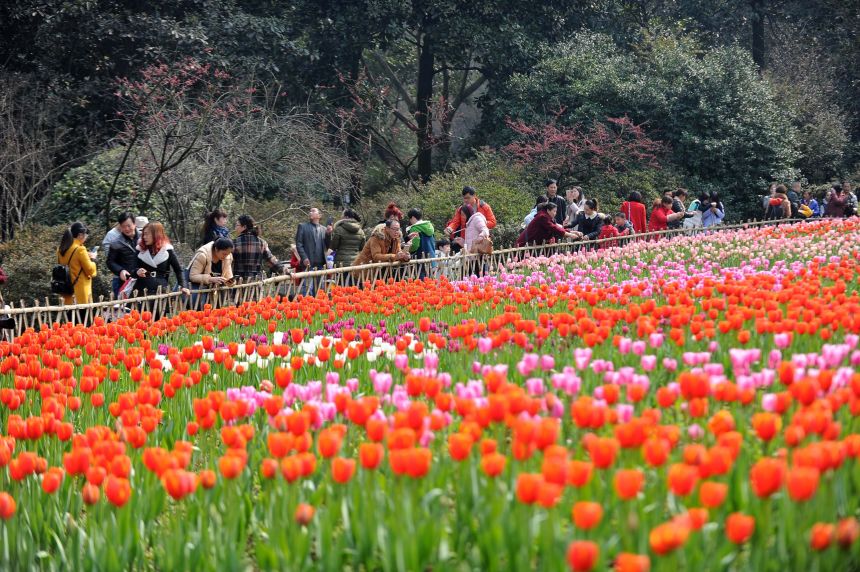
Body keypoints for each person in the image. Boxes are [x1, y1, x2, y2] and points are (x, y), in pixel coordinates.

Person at [444, 186, 497, 252]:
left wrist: (479, 224)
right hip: (465, 240)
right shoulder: (461, 208)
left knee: (479, 260)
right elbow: (455, 221)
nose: (466, 200)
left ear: (474, 195)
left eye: (468, 198)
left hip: (480, 241)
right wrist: (450, 228)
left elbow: (493, 222)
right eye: (464, 198)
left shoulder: (484, 207)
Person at [57, 222, 98, 305]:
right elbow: (90, 270)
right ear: (80, 235)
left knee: (69, 318)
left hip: (66, 294)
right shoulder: (80, 249)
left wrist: (87, 256)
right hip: (80, 294)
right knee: (82, 318)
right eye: (86, 235)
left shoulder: (60, 249)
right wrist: (93, 259)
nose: (86, 237)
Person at [187, 237, 234, 308]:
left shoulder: (228, 257)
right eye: (224, 254)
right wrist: (210, 279)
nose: (226, 256)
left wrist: (230, 282)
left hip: (215, 293)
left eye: (228, 254)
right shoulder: (202, 255)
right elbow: (193, 276)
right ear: (216, 249)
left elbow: (229, 276)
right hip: (198, 291)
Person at [295, 207, 332, 295]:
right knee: (308, 289)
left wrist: (328, 234)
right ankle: (307, 307)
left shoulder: (324, 229)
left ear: (319, 215)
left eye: (313, 211)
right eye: (310, 211)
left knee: (320, 290)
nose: (310, 212)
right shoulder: (302, 226)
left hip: (321, 264)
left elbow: (328, 246)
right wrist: (304, 258)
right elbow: (299, 244)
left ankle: (317, 308)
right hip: (308, 263)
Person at [232, 215, 278, 281]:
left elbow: (228, 262)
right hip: (255, 282)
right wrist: (284, 270)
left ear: (244, 227)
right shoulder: (262, 242)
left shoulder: (234, 242)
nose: (235, 228)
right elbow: (271, 259)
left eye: (237, 225)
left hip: (239, 282)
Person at [105, 212, 140, 298]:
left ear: (134, 224)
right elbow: (110, 261)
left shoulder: (144, 238)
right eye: (123, 226)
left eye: (129, 225)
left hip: (143, 279)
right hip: (126, 281)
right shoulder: (116, 242)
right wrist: (120, 270)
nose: (127, 229)